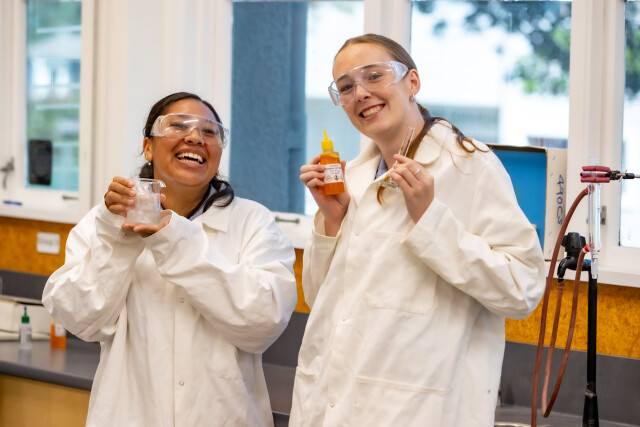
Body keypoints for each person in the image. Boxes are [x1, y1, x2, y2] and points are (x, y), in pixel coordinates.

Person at [291, 34, 545, 426]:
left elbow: (522, 288)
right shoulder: (352, 177)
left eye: (374, 76)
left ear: (412, 82)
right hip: (330, 406)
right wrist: (333, 220)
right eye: (346, 87)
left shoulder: (468, 166)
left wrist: (431, 221)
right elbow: (318, 298)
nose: (361, 93)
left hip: (416, 409)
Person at [42, 92, 297, 426]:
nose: (195, 137)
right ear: (148, 147)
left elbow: (263, 323)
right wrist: (116, 239)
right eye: (177, 126)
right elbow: (79, 319)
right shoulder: (104, 222)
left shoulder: (252, 222)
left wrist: (174, 241)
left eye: (209, 131)